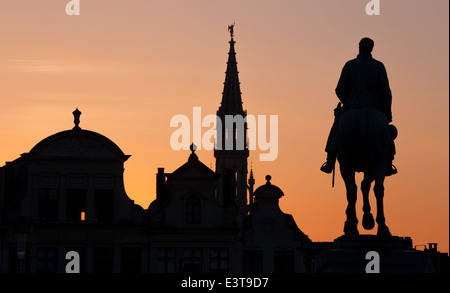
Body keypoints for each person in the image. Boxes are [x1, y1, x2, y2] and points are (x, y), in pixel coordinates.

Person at [320, 37, 397, 176]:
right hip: (374, 110)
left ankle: (330, 161)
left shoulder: (350, 65)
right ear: (371, 49)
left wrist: (347, 102)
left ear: (359, 47)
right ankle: (389, 163)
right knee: (386, 132)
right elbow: (386, 93)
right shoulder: (379, 66)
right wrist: (386, 114)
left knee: (336, 129)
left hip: (351, 107)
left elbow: (339, 89)